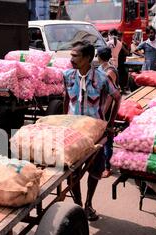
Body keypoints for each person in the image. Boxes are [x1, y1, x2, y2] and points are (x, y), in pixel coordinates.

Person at [63, 42, 122, 221]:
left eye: (75, 56)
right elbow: (66, 98)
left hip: (95, 132)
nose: (71, 59)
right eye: (71, 55)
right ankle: (78, 205)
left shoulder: (102, 78)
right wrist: (61, 121)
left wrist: (110, 123)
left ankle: (88, 203)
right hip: (73, 132)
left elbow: (117, 97)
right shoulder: (67, 75)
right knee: (71, 171)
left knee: (94, 170)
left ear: (88, 58)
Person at [96, 47, 119, 179]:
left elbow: (111, 95)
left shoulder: (110, 71)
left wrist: (104, 111)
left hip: (107, 108)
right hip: (100, 105)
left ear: (99, 56)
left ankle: (107, 167)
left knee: (107, 138)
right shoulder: (101, 69)